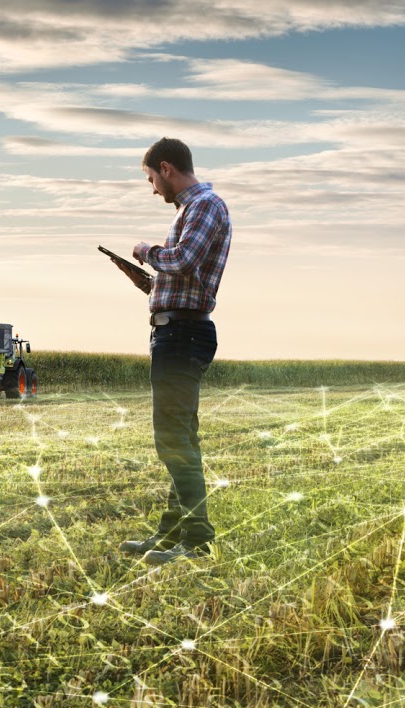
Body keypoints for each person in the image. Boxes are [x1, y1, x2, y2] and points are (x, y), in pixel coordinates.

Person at [110, 137, 231, 565]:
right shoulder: (193, 209)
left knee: (173, 440)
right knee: (180, 439)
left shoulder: (205, 206)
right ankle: (171, 533)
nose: (152, 188)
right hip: (175, 330)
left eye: (151, 179)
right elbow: (180, 280)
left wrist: (146, 252)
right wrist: (144, 280)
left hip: (182, 336)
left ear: (166, 168)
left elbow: (180, 261)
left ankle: (197, 541)